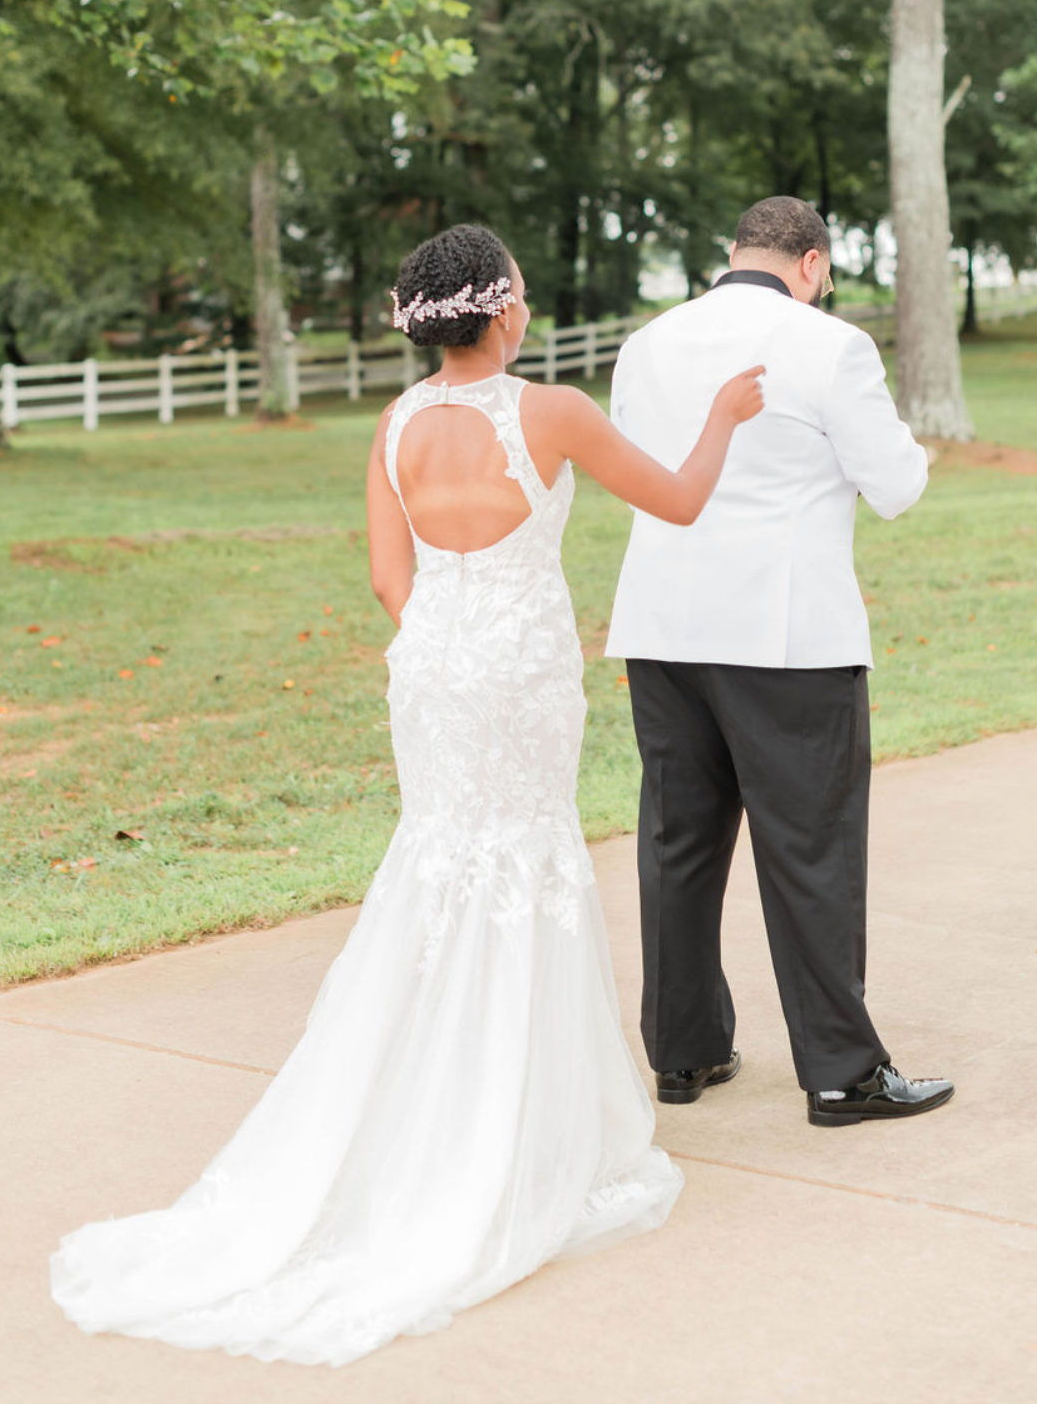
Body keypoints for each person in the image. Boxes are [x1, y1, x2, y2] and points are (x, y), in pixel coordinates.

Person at [49, 223, 765, 1368]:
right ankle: (512, 1134)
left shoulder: (394, 427)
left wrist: (452, 641)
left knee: (441, 860)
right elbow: (678, 501)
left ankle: (417, 1109)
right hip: (521, 673)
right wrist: (724, 416)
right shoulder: (554, 412)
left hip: (434, 669)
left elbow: (392, 578)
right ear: (503, 309)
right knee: (527, 862)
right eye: (520, 291)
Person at [606, 195, 954, 1127]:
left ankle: (683, 1054)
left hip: (663, 626)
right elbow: (896, 484)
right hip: (785, 634)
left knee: (678, 843)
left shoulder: (646, 344)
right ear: (811, 263)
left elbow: (641, 469)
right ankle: (842, 1073)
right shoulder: (831, 345)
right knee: (811, 849)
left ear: (735, 252)